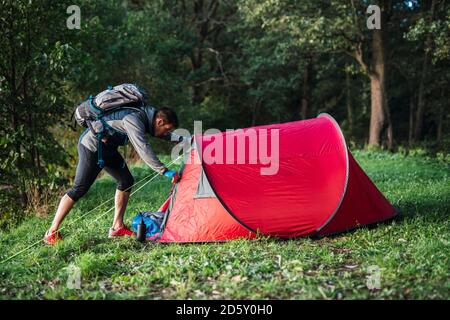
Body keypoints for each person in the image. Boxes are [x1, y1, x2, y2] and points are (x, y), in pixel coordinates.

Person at [43, 104, 184, 245]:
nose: (166, 133)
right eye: (167, 129)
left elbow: (162, 135)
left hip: (108, 148)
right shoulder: (134, 119)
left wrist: (184, 140)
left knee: (126, 180)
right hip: (91, 146)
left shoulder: (145, 118)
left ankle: (117, 227)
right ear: (159, 122)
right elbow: (143, 148)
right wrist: (164, 170)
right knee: (79, 188)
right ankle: (51, 233)